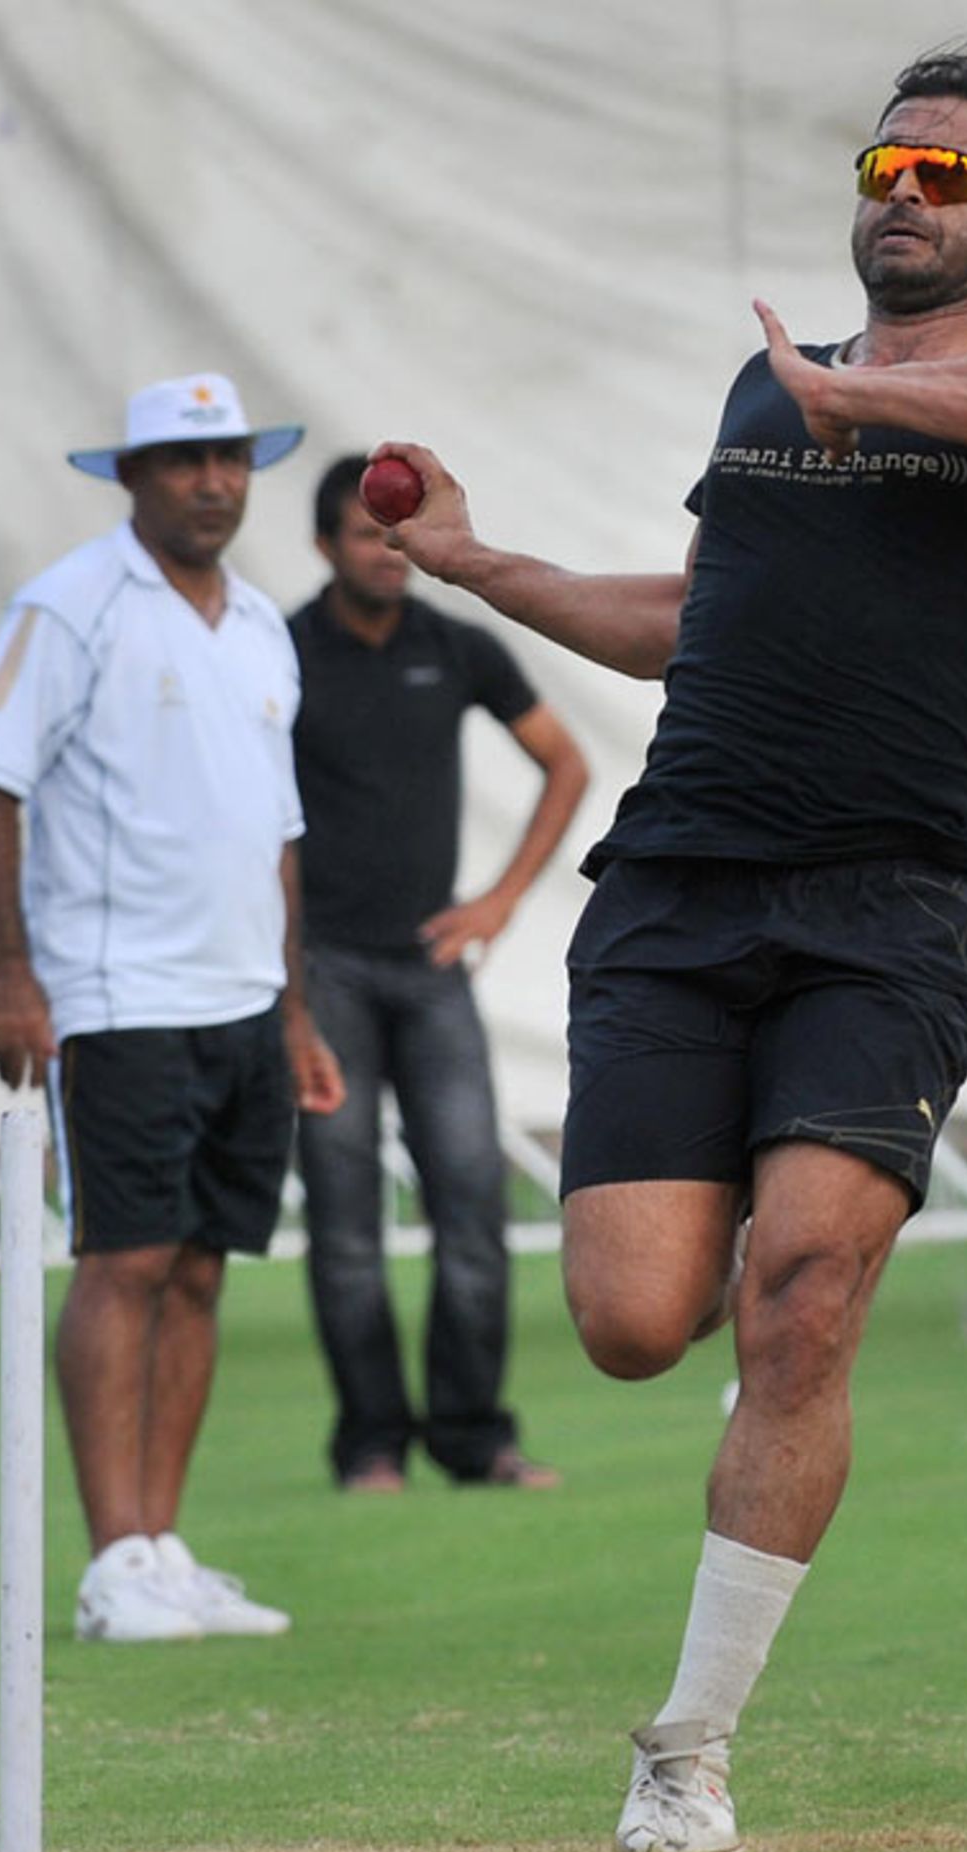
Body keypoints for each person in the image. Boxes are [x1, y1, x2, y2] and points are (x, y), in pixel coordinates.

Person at [363, 34, 967, 1852]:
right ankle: (761, 1378)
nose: (906, 196)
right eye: (886, 171)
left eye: (946, 177)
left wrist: (855, 401)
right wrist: (483, 566)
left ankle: (688, 1747)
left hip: (892, 901)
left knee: (800, 1293)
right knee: (639, 1323)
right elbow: (693, 618)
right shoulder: (770, 388)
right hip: (681, 890)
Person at [0, 372, 344, 1643]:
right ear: (131, 475)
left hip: (240, 998)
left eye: (230, 458)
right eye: (184, 461)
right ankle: (111, 1556)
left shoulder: (263, 630)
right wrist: (9, 972)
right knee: (123, 1258)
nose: (213, 482)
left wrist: (292, 1009)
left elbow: (277, 833)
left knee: (200, 1265)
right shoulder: (67, 607)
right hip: (117, 995)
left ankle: (163, 1548)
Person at [288, 455, 589, 1492]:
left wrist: (500, 899)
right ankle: (370, 1445)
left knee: (470, 1200)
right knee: (344, 1220)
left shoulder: (454, 644)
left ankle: (473, 1436)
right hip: (321, 969)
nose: (386, 549)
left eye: (396, 530)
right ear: (325, 544)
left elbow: (567, 761)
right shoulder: (279, 654)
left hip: (429, 967)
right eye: (365, 532)